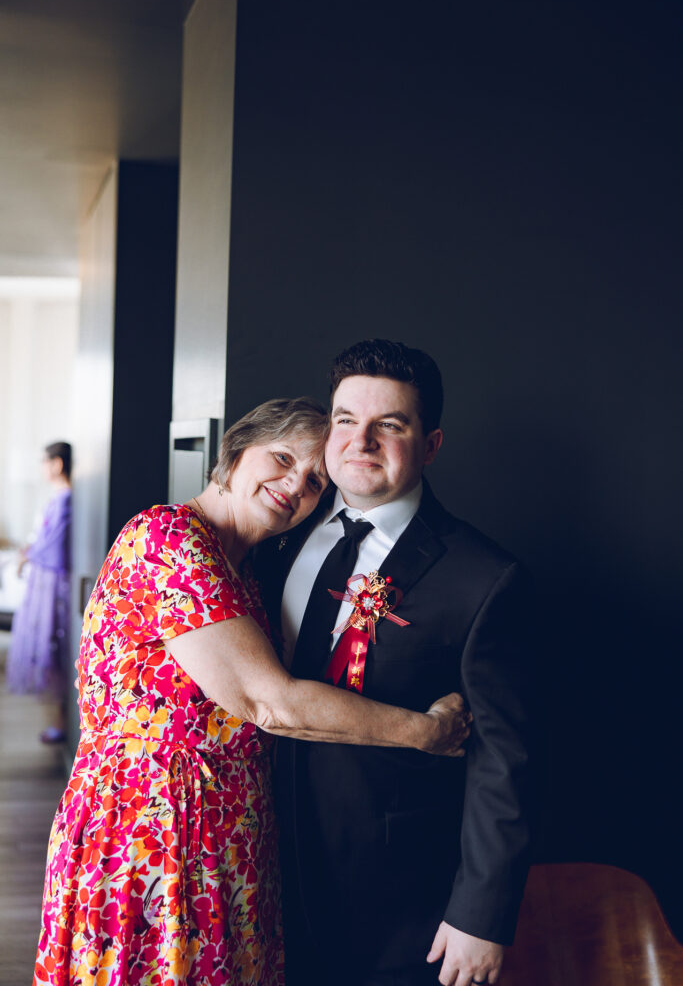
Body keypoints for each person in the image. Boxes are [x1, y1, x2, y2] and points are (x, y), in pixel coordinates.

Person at [33, 397, 470, 986]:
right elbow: (271, 703)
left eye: (316, 480)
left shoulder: (245, 574)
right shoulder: (167, 537)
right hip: (148, 836)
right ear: (237, 451)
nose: (295, 485)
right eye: (283, 457)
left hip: (228, 846)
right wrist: (426, 731)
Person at [257, 342, 533, 986]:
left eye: (392, 424)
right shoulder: (276, 533)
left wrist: (481, 916)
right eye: (346, 419)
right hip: (257, 875)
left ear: (431, 444)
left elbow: (508, 761)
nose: (362, 440)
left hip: (395, 905)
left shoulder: (485, 577)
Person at [7, 440, 72, 744]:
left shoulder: (65, 500)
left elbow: (52, 547)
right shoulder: (59, 498)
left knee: (52, 644)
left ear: (57, 464)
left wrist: (27, 556)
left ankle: (60, 721)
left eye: (45, 462)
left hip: (52, 584)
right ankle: (57, 720)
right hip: (45, 580)